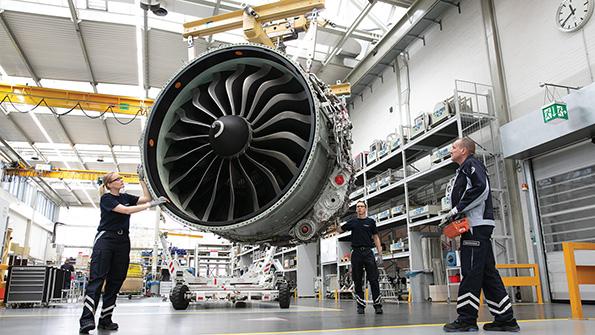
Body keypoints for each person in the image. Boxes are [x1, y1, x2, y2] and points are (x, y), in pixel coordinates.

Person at [442, 138, 520, 332]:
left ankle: (467, 320)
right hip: (478, 226)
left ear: (464, 150)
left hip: (475, 226)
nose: (450, 150)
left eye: (453, 147)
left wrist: (456, 210)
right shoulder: (465, 168)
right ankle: (505, 319)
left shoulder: (471, 164)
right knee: (487, 273)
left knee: (470, 272)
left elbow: (481, 189)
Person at [79, 171, 167, 334]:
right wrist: (152, 205)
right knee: (97, 279)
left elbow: (145, 198)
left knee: (116, 281)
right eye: (117, 179)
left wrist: (142, 179)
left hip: (122, 241)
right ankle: (86, 320)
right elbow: (127, 211)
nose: (121, 180)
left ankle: (106, 320)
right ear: (109, 184)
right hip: (106, 239)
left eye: (121, 178)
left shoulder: (126, 197)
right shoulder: (107, 199)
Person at [336, 200, 383, 314]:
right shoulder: (353, 222)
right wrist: (335, 220)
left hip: (368, 252)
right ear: (356, 209)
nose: (360, 208)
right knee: (357, 280)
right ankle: (360, 306)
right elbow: (339, 230)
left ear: (365, 208)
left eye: (362, 206)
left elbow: (376, 237)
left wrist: (380, 252)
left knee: (373, 279)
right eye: (358, 207)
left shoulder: (371, 222)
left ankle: (377, 306)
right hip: (356, 253)